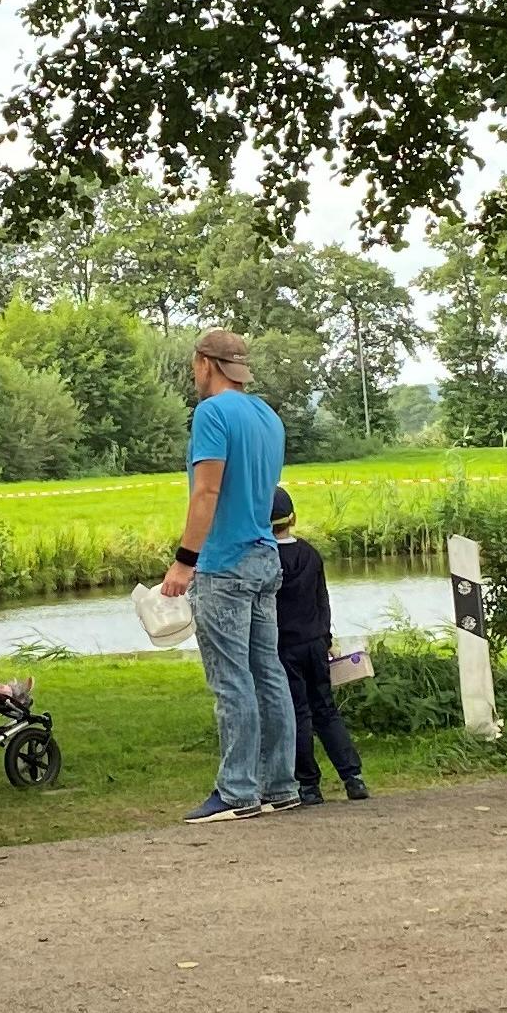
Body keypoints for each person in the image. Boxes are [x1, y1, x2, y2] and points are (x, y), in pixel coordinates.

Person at [157, 329, 294, 823]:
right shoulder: (266, 415)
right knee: (269, 673)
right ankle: (280, 783)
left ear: (205, 363)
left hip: (225, 561)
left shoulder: (212, 414)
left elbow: (206, 493)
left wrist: (184, 561)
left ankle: (236, 791)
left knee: (230, 678)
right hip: (265, 553)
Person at [273, 488, 366, 806]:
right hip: (315, 642)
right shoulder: (311, 554)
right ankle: (353, 777)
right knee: (326, 710)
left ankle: (309, 785)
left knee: (298, 714)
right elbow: (322, 599)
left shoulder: (265, 559)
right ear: (294, 518)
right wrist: (325, 637)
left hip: (284, 646)